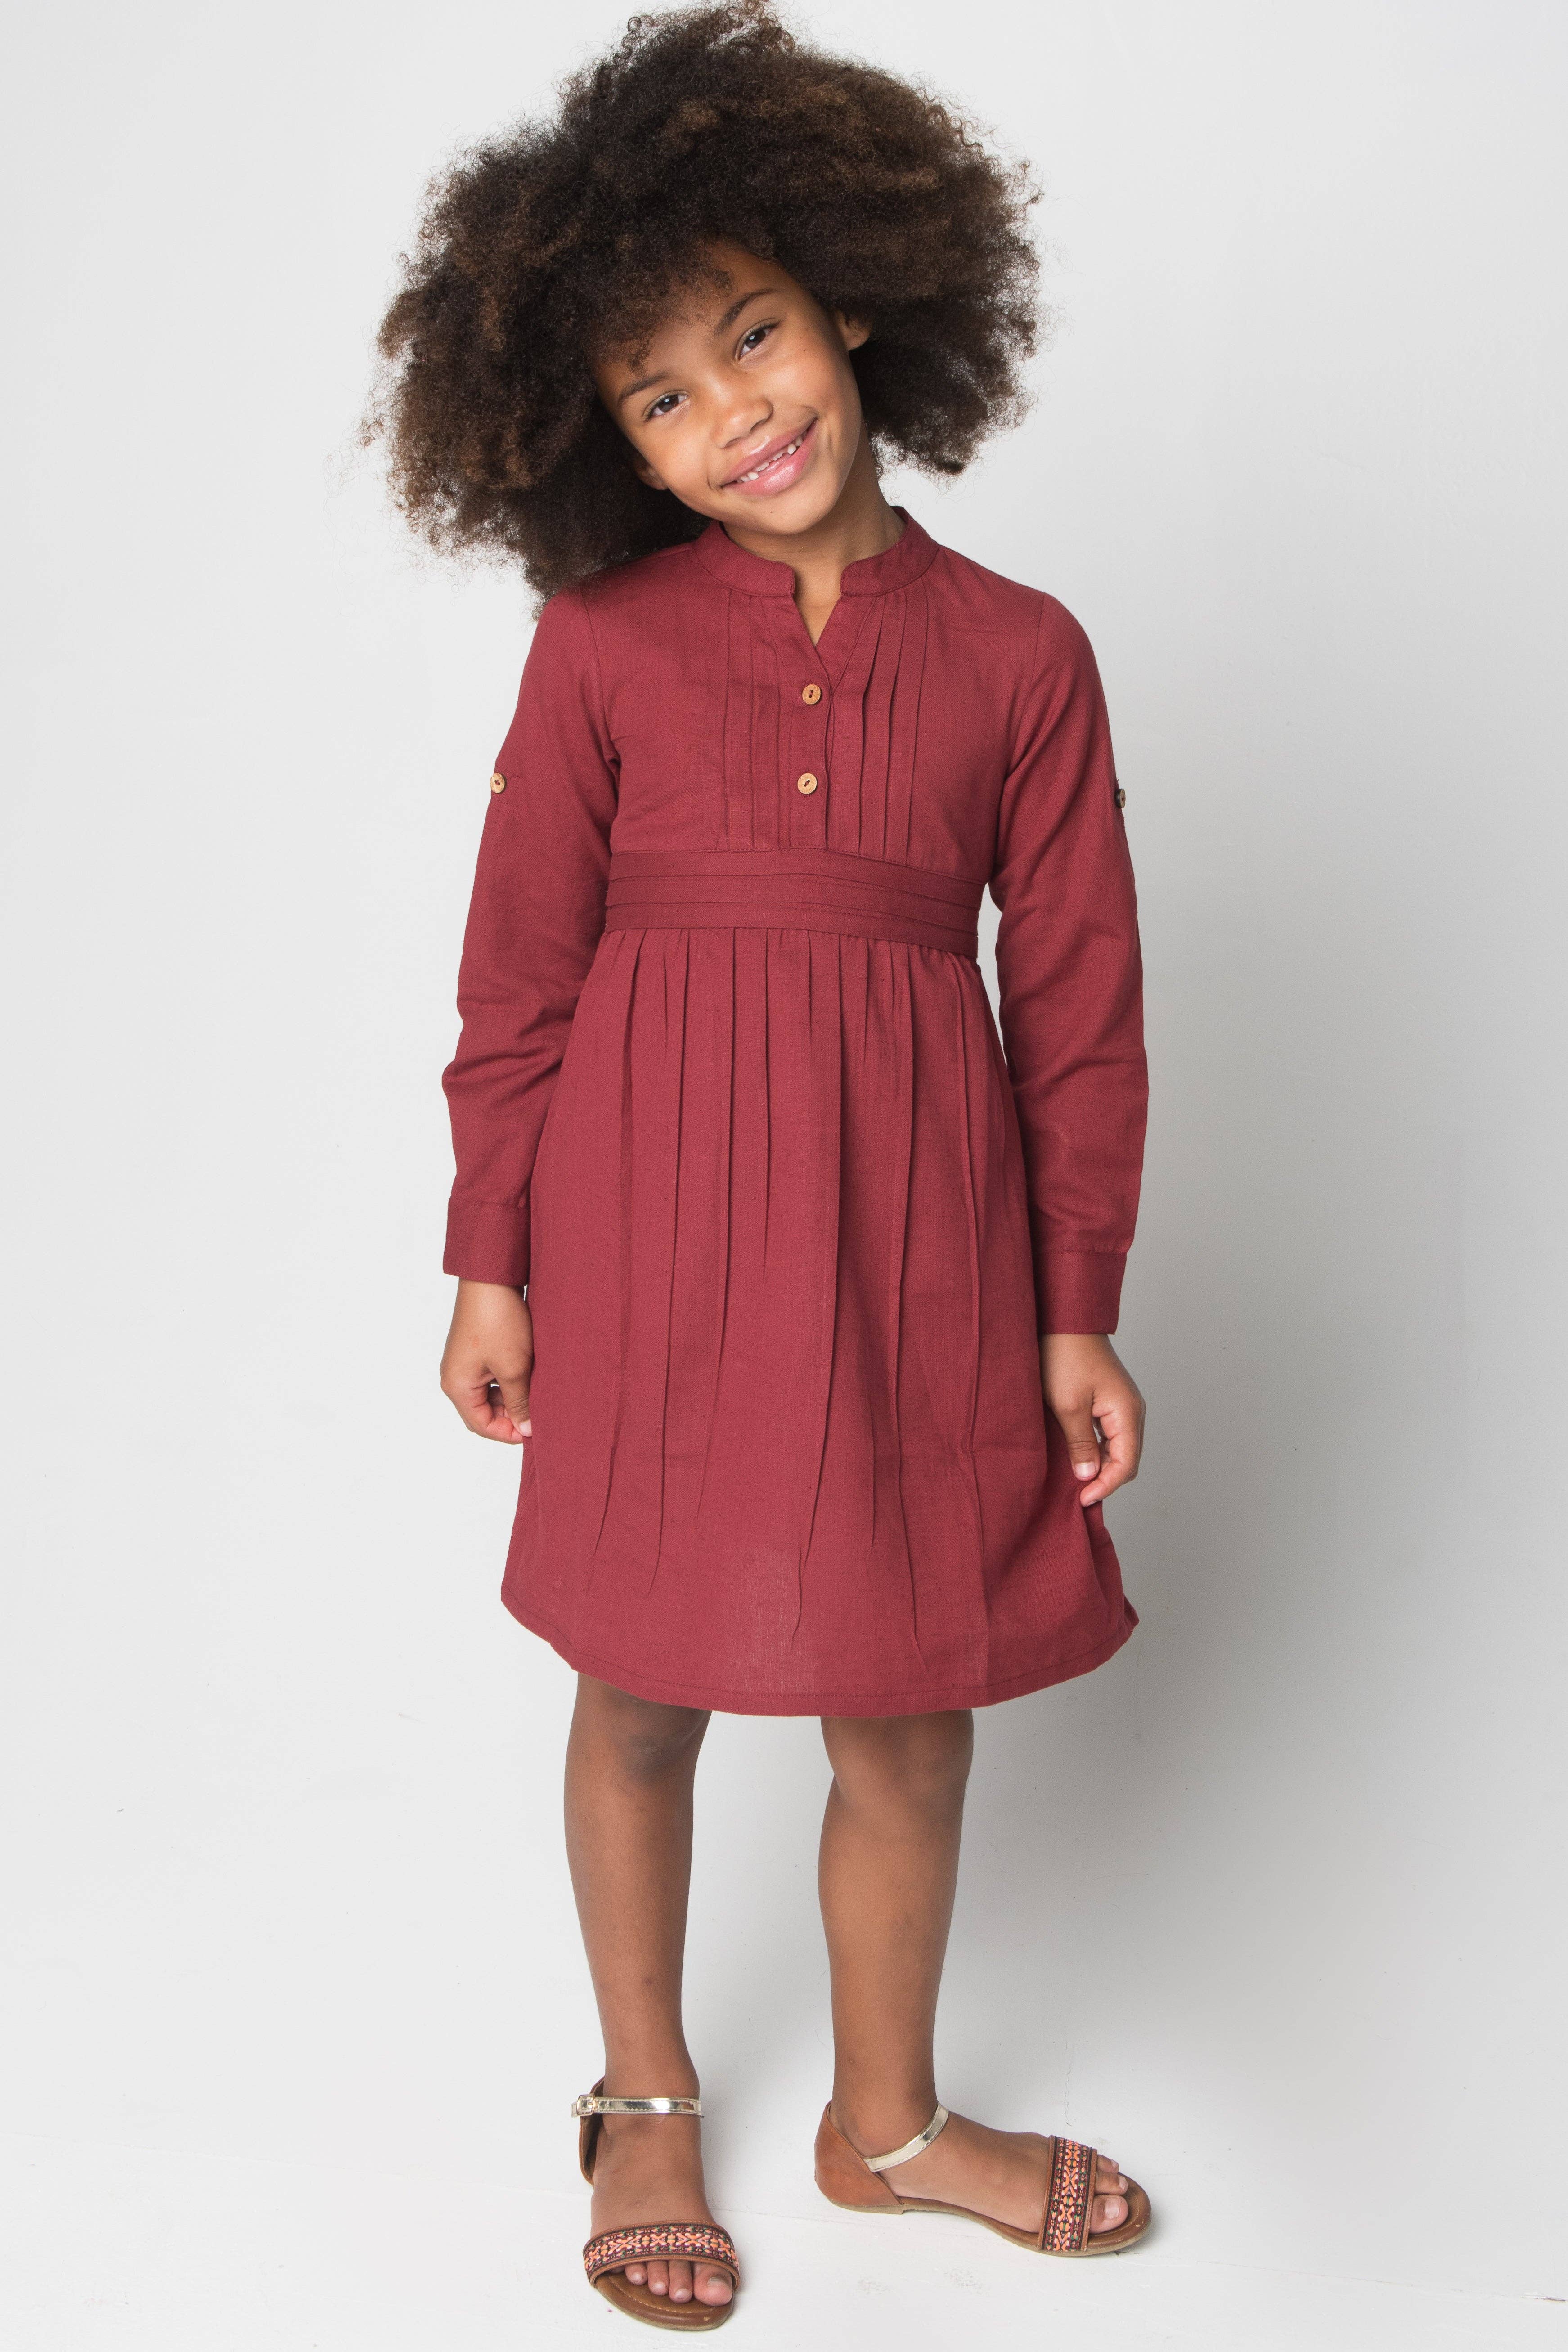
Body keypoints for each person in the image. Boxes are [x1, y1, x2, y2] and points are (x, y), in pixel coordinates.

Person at [372, 1, 1151, 2326]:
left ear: (854, 302)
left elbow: (1080, 1012)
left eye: (753, 336)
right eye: (661, 398)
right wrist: (491, 1253)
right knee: (641, 1689)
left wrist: (1077, 1306)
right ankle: (643, 2098)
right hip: (648, 1244)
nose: (736, 413)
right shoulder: (598, 647)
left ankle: (884, 2124)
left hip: (918, 1249)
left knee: (904, 1705)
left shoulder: (1024, 656)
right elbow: (517, 977)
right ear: (595, 446)